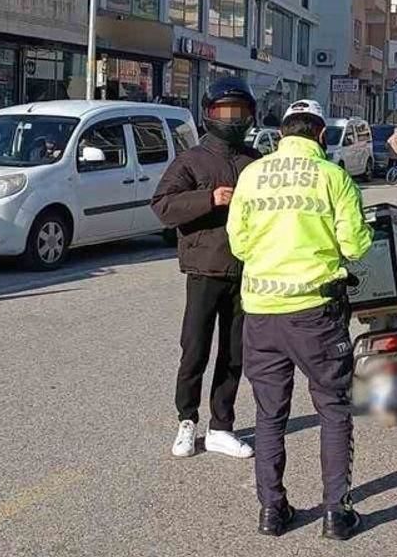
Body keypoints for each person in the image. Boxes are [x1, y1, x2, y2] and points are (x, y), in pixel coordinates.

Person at [228, 99, 373, 541]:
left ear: (283, 133)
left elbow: (238, 243)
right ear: (321, 135)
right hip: (316, 312)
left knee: (270, 414)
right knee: (334, 409)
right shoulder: (333, 176)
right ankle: (336, 514)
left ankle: (272, 511)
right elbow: (356, 246)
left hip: (261, 312)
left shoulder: (252, 175)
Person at [150, 77, 260, 461]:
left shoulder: (256, 161)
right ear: (209, 114)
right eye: (224, 111)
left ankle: (221, 426)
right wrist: (209, 198)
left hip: (246, 270)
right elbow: (163, 205)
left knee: (234, 353)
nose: (232, 119)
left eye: (239, 112)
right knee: (194, 349)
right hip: (204, 269)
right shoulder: (191, 160)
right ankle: (187, 421)